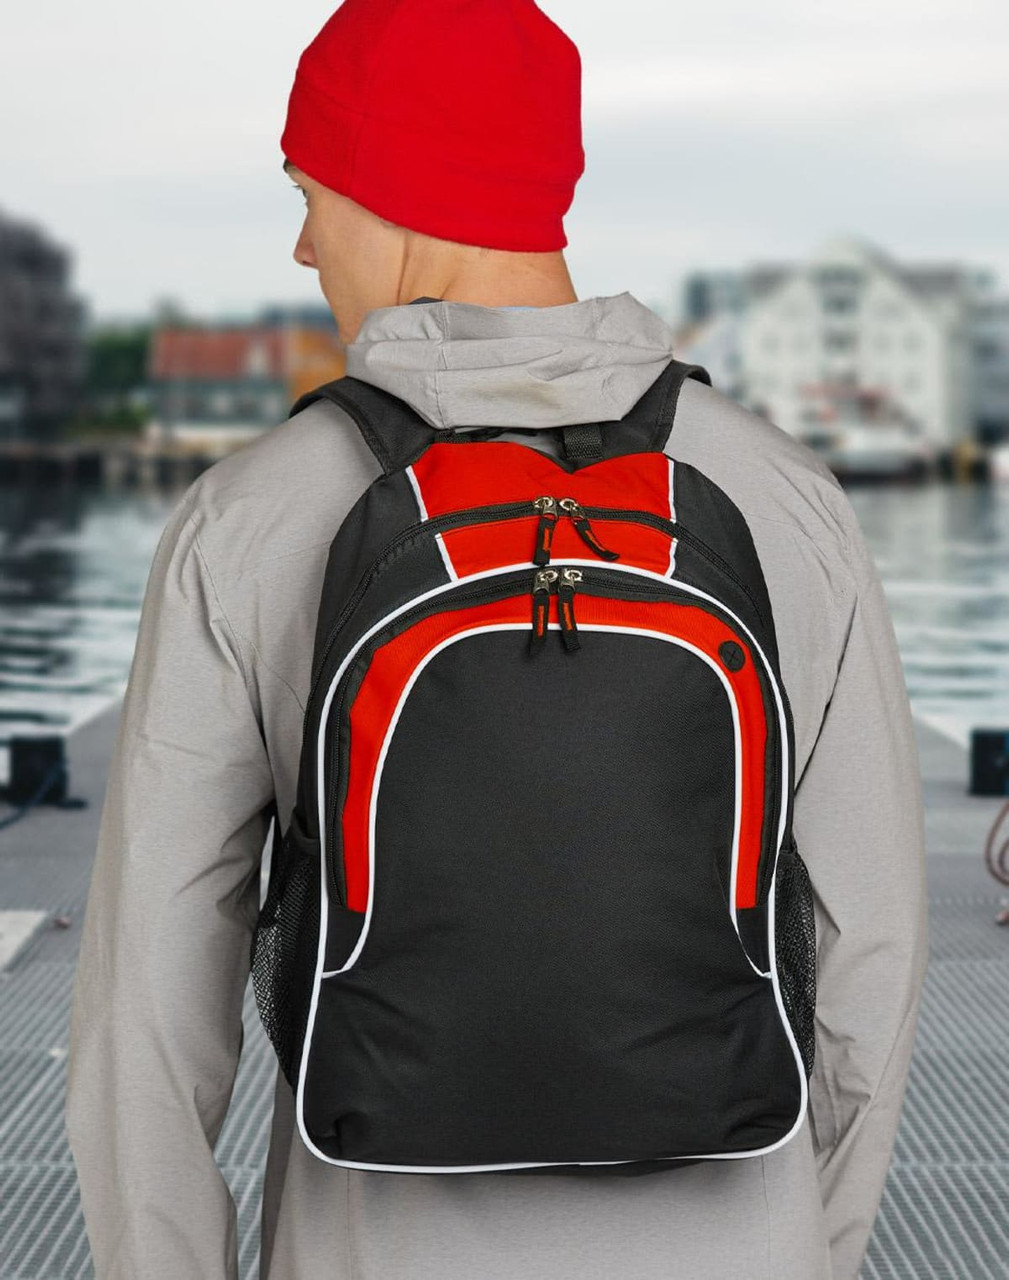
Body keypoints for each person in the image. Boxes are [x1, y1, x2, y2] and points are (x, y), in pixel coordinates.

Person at [64, 1, 929, 1277]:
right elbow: (874, 950)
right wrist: (809, 1245)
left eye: (312, 192)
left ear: (394, 190)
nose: (304, 245)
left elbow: (147, 1006)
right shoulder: (779, 495)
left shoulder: (247, 519)